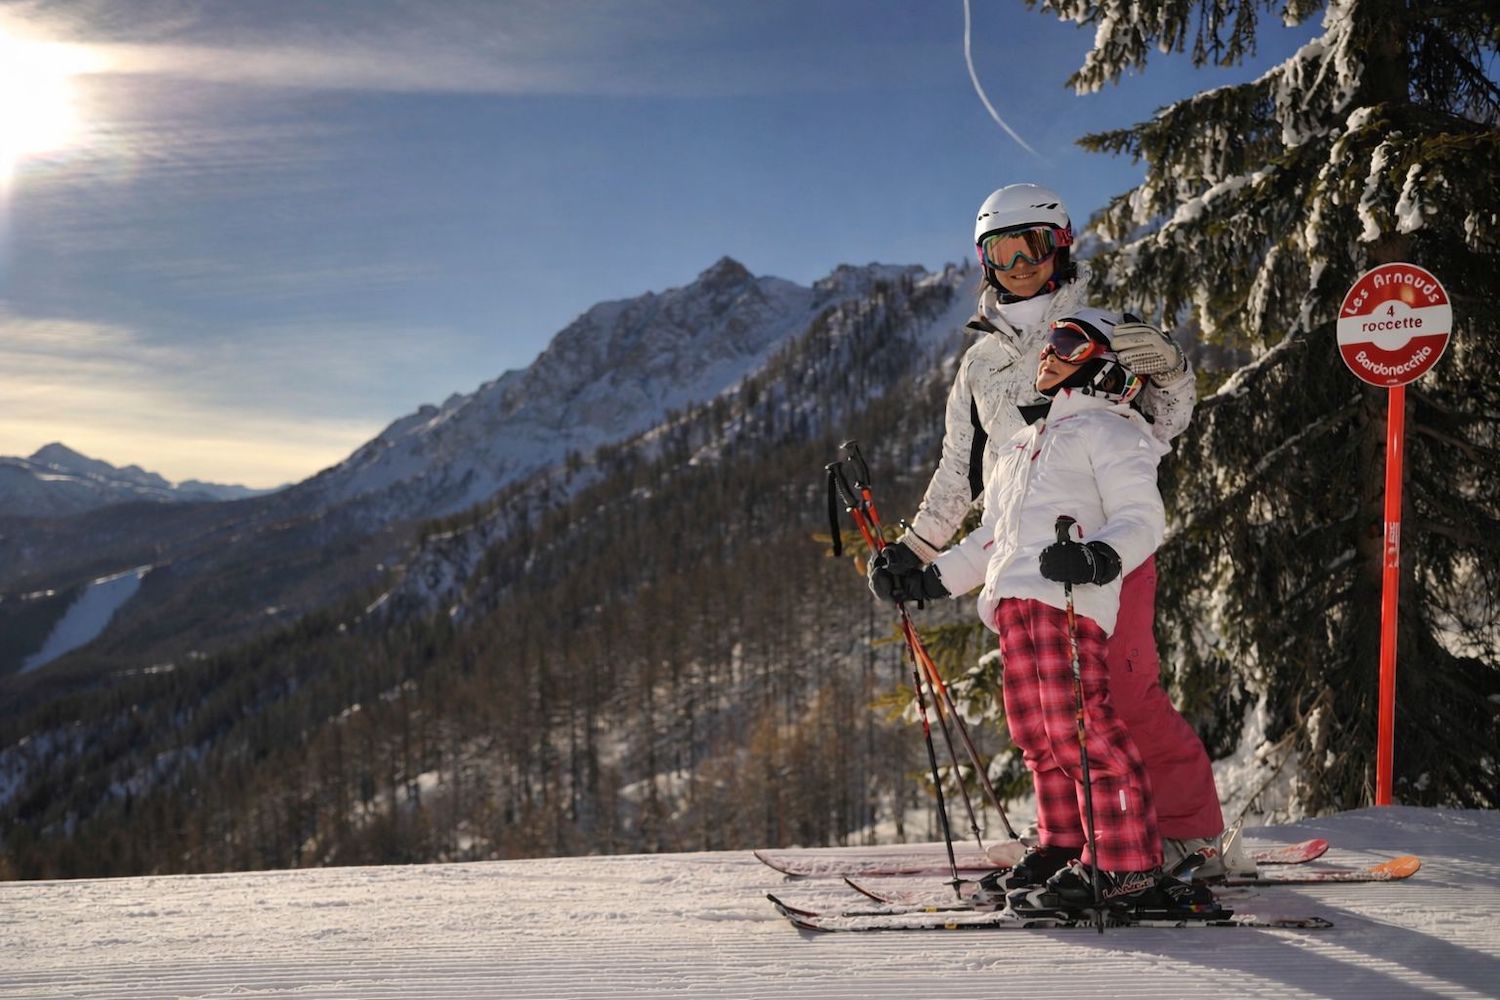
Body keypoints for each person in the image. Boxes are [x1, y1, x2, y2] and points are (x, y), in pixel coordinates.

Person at [867, 183, 1248, 883]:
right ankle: (1072, 839)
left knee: (1125, 699)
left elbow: (1168, 414)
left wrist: (1163, 367)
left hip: (1107, 546)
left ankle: (1189, 835)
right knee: (1048, 713)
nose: (1017, 264)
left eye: (1032, 247)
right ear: (982, 260)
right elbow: (962, 469)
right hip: (1019, 551)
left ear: (1060, 248)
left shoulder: (1099, 325)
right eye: (1000, 251)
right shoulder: (980, 364)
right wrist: (918, 552)